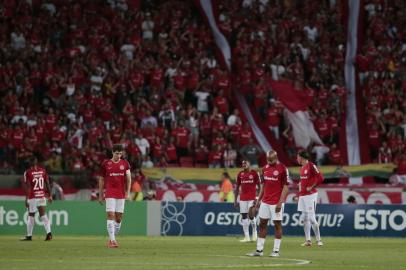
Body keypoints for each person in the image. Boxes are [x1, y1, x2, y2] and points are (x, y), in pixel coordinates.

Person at [247, 150, 290, 257]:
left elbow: (286, 187)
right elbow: (263, 186)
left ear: (276, 158)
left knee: (277, 225)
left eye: (271, 160)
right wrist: (258, 200)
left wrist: (280, 203)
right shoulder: (264, 169)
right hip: (265, 202)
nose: (269, 162)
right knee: (262, 224)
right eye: (268, 160)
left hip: (276, 202)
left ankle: (275, 251)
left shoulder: (283, 169)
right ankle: (259, 250)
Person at [99, 144, 132, 248]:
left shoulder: (125, 163)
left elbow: (129, 179)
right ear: (112, 152)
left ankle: (113, 235)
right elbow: (101, 179)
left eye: (120, 153)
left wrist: (128, 192)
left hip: (121, 193)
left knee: (118, 218)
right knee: (110, 215)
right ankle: (112, 241)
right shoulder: (106, 164)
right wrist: (100, 194)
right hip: (110, 193)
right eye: (117, 153)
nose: (119, 155)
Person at [20, 157, 53, 241]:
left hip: (33, 197)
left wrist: (26, 198)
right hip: (41, 196)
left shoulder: (27, 172)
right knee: (43, 215)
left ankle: (29, 236)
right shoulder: (43, 171)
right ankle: (49, 233)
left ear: (29, 163)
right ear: (36, 163)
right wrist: (50, 195)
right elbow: (47, 184)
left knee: (31, 215)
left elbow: (28, 187)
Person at [296, 150, 324, 247]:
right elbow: (301, 183)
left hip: (311, 195)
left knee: (312, 218)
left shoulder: (311, 165)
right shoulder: (302, 168)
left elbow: (321, 177)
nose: (297, 158)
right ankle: (308, 240)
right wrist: (298, 195)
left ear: (301, 157)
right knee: (304, 217)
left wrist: (312, 187)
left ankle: (319, 240)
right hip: (303, 195)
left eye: (298, 156)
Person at [234, 160, 260, 242]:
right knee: (244, 217)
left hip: (252, 198)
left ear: (249, 164)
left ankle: (255, 233)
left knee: (251, 215)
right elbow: (237, 187)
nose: (244, 165)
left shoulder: (254, 173)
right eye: (243, 164)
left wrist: (257, 198)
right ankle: (247, 237)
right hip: (242, 199)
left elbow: (260, 187)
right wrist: (235, 200)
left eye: (246, 163)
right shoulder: (240, 174)